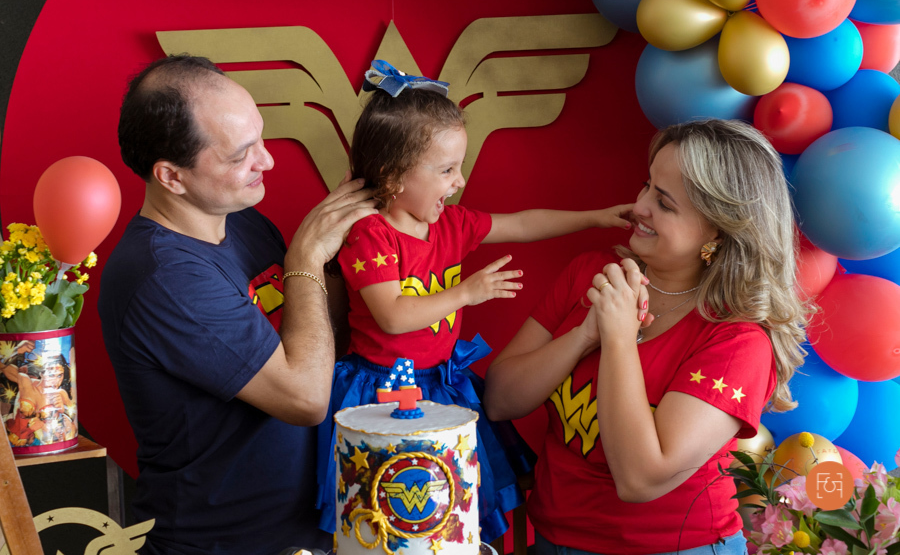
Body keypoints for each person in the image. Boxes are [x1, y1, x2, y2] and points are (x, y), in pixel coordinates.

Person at [317, 60, 635, 543]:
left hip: (443, 387)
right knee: (388, 512)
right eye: (446, 170)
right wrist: (467, 292)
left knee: (451, 510)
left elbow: (524, 223)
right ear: (391, 173)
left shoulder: (452, 224)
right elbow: (393, 315)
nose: (459, 181)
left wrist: (595, 216)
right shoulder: (370, 235)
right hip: (380, 392)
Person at [484, 119, 812, 555]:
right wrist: (585, 335)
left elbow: (641, 479)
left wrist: (618, 339)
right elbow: (500, 399)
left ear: (717, 229)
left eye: (664, 202)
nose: (639, 206)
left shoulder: (739, 341)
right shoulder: (592, 273)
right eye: (646, 186)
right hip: (552, 539)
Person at [98, 55, 376, 555]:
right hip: (220, 544)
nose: (267, 161)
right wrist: (307, 256)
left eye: (261, 139)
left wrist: (343, 249)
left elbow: (325, 337)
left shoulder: (244, 221)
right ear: (171, 176)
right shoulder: (164, 276)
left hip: (305, 536)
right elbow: (306, 398)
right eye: (240, 155)